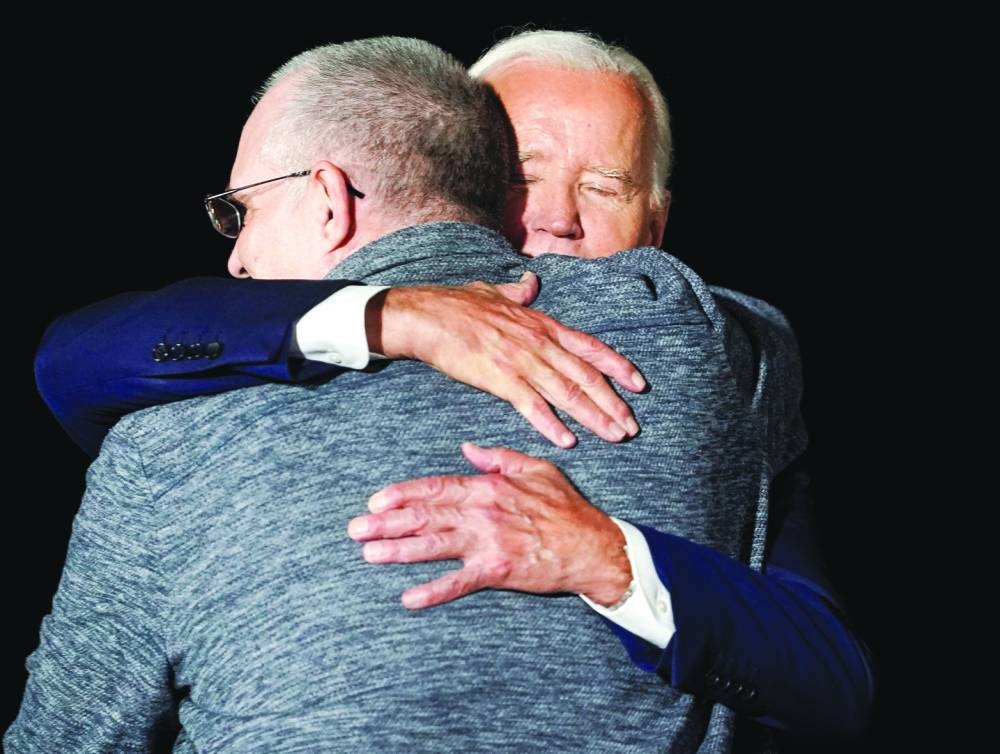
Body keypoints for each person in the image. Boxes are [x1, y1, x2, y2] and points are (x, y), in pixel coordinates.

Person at [26, 31, 872, 740]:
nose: (554, 218)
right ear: (452, 178)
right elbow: (79, 356)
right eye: (518, 176)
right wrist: (390, 314)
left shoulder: (720, 352)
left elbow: (829, 674)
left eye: (604, 187)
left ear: (657, 224)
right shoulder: (242, 354)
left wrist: (607, 558)